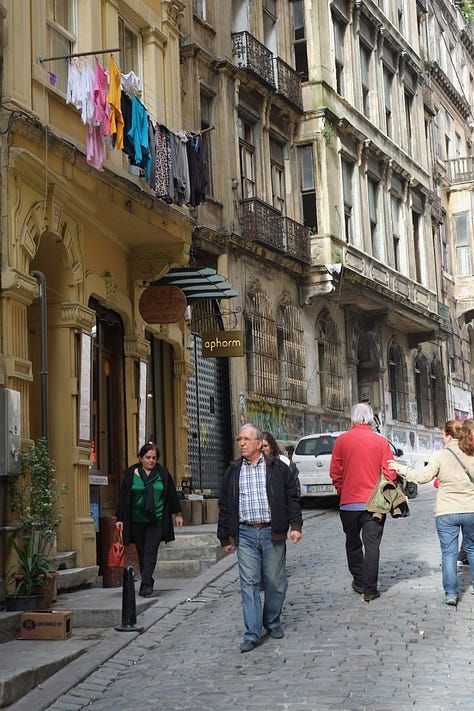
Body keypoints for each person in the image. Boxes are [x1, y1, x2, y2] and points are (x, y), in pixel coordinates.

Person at [217, 423, 303, 652]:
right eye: (239, 439)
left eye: (246, 439)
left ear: (258, 443)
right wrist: (224, 537)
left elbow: (291, 498)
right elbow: (224, 505)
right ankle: (252, 633)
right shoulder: (233, 471)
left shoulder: (277, 468)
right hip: (245, 534)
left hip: (271, 532)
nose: (241, 443)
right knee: (249, 583)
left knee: (275, 582)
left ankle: (272, 621)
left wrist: (295, 525)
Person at [388, 420, 474, 606]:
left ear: (448, 435)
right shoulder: (471, 454)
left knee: (449, 554)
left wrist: (399, 468)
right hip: (471, 510)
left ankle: (451, 593)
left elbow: (422, 477)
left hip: (446, 512)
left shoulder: (440, 455)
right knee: (473, 549)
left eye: (443, 435)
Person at [329, 402, 397, 602]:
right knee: (373, 546)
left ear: (353, 418)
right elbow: (391, 472)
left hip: (349, 503)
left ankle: (358, 580)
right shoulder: (381, 442)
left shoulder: (342, 441)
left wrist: (344, 491)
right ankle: (370, 589)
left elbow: (335, 472)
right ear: (370, 419)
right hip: (375, 504)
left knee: (352, 543)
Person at [116, 442, 183, 597]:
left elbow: (171, 495)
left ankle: (145, 584)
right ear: (141, 458)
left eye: (154, 458)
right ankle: (148, 579)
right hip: (136, 519)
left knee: (150, 551)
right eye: (147, 457)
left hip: (157, 519)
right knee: (141, 552)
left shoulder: (163, 473)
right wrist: (120, 518)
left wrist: (177, 514)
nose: (151, 461)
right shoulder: (131, 473)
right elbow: (124, 498)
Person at [261, 431, 301, 498]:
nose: (262, 449)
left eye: (265, 446)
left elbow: (295, 489)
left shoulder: (284, 462)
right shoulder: (254, 465)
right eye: (260, 446)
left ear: (272, 447)